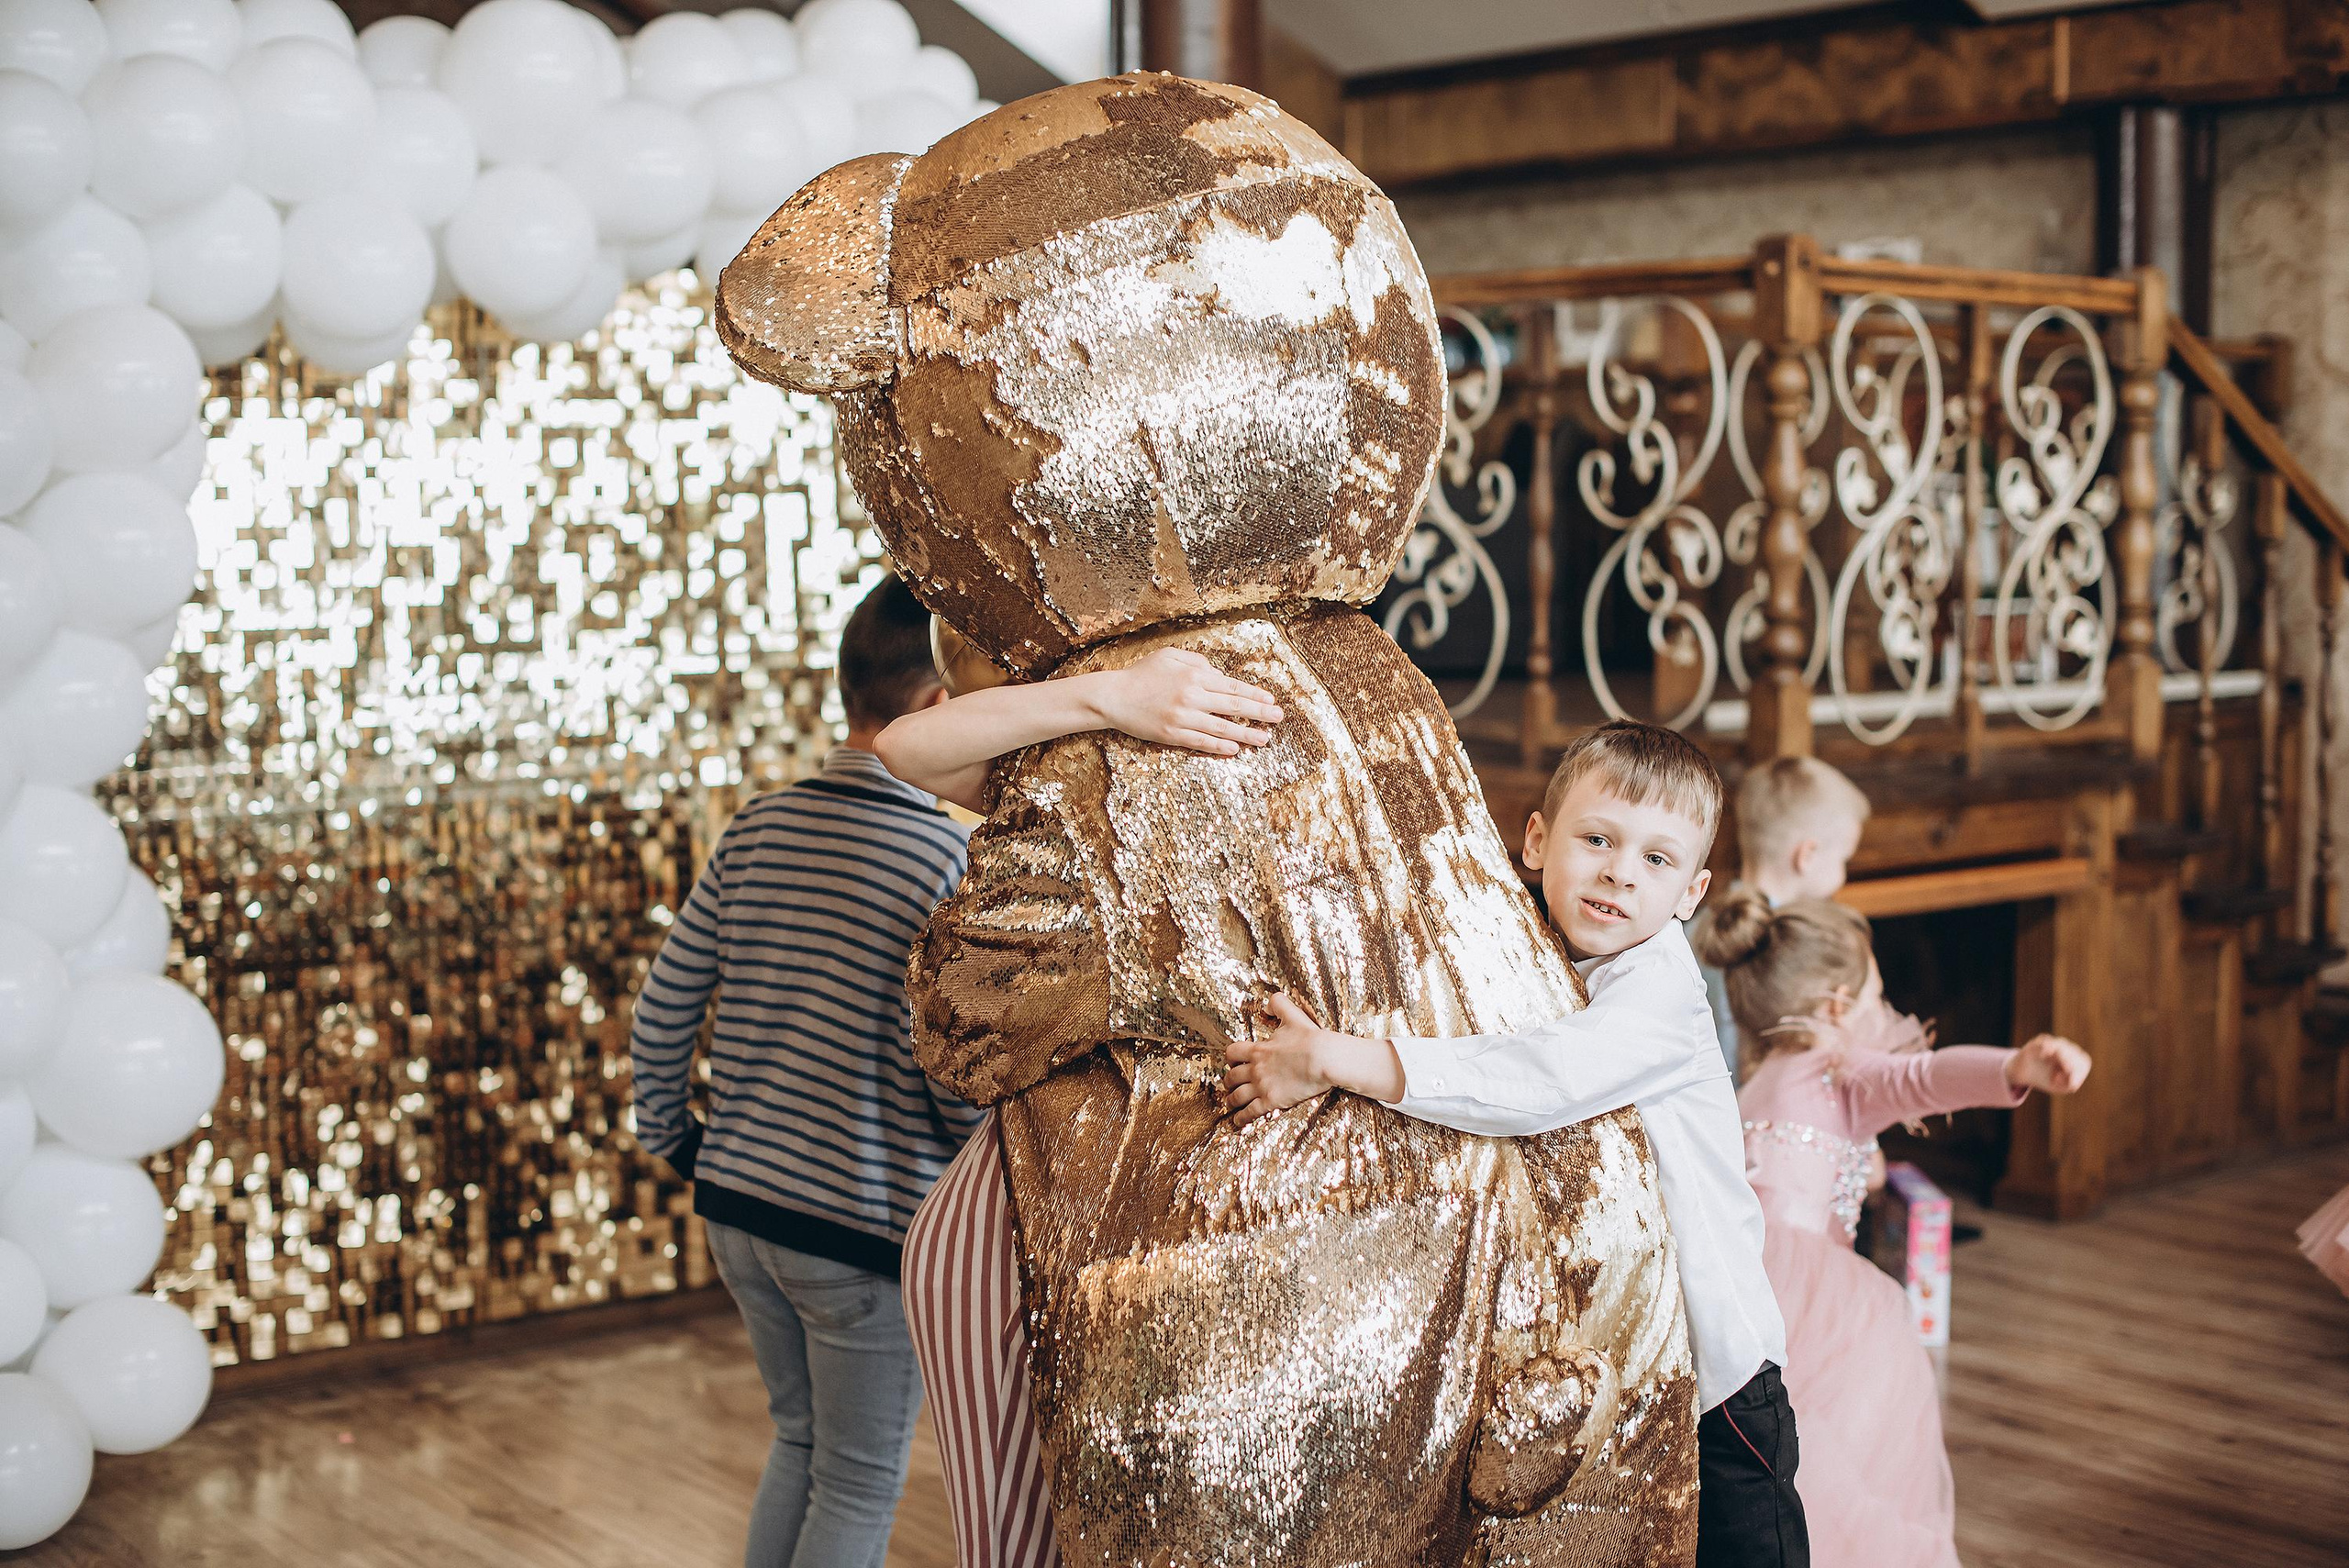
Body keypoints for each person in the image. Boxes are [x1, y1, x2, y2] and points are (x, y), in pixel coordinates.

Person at [1222, 719, 1807, 1568]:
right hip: (1625, 1367)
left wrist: (1333, 1057)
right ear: (1537, 839)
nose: (1618, 872)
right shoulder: (1522, 945)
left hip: (1721, 1381)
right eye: (1598, 838)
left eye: (1657, 860)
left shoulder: (1662, 996)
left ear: (1692, 891)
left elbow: (1540, 1079)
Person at [629, 575, 982, 1568]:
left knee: (800, 1443)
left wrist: (677, 1138)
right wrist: (976, 1179)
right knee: (862, 1478)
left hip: (738, 1206)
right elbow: (952, 1079)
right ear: (938, 706)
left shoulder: (756, 827)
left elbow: (661, 1012)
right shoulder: (941, 862)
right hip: (861, 1231)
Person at [1693, 892, 2090, 1568]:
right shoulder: (1840, 1070)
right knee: (1835, 1457)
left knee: (1778, 1456)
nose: (1888, 1012)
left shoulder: (1749, 1083)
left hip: (1737, 1287)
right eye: (1879, 995)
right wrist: (2014, 1066)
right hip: (1819, 1304)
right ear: (1839, 1007)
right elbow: (1920, 1076)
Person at [1697, 756, 1872, 1076]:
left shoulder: (1695, 931)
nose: (1843, 874)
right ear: (1807, 855)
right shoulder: (1804, 950)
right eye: (1844, 860)